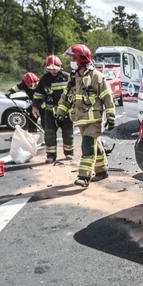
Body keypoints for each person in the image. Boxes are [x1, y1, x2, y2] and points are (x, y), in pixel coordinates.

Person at [56, 45, 116, 188]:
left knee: (88, 146)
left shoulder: (96, 77)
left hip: (94, 120)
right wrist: (60, 113)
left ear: (80, 59)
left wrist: (111, 116)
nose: (70, 60)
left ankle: (84, 177)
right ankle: (102, 170)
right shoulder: (74, 77)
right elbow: (66, 97)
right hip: (81, 120)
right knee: (96, 145)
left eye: (72, 58)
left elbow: (107, 97)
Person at [33, 55, 74, 163]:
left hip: (65, 112)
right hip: (50, 113)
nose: (53, 71)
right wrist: (35, 106)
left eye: (55, 69)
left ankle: (69, 153)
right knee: (49, 134)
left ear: (60, 67)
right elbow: (38, 94)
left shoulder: (67, 77)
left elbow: (75, 92)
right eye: (50, 69)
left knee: (68, 133)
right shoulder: (44, 79)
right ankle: (51, 156)